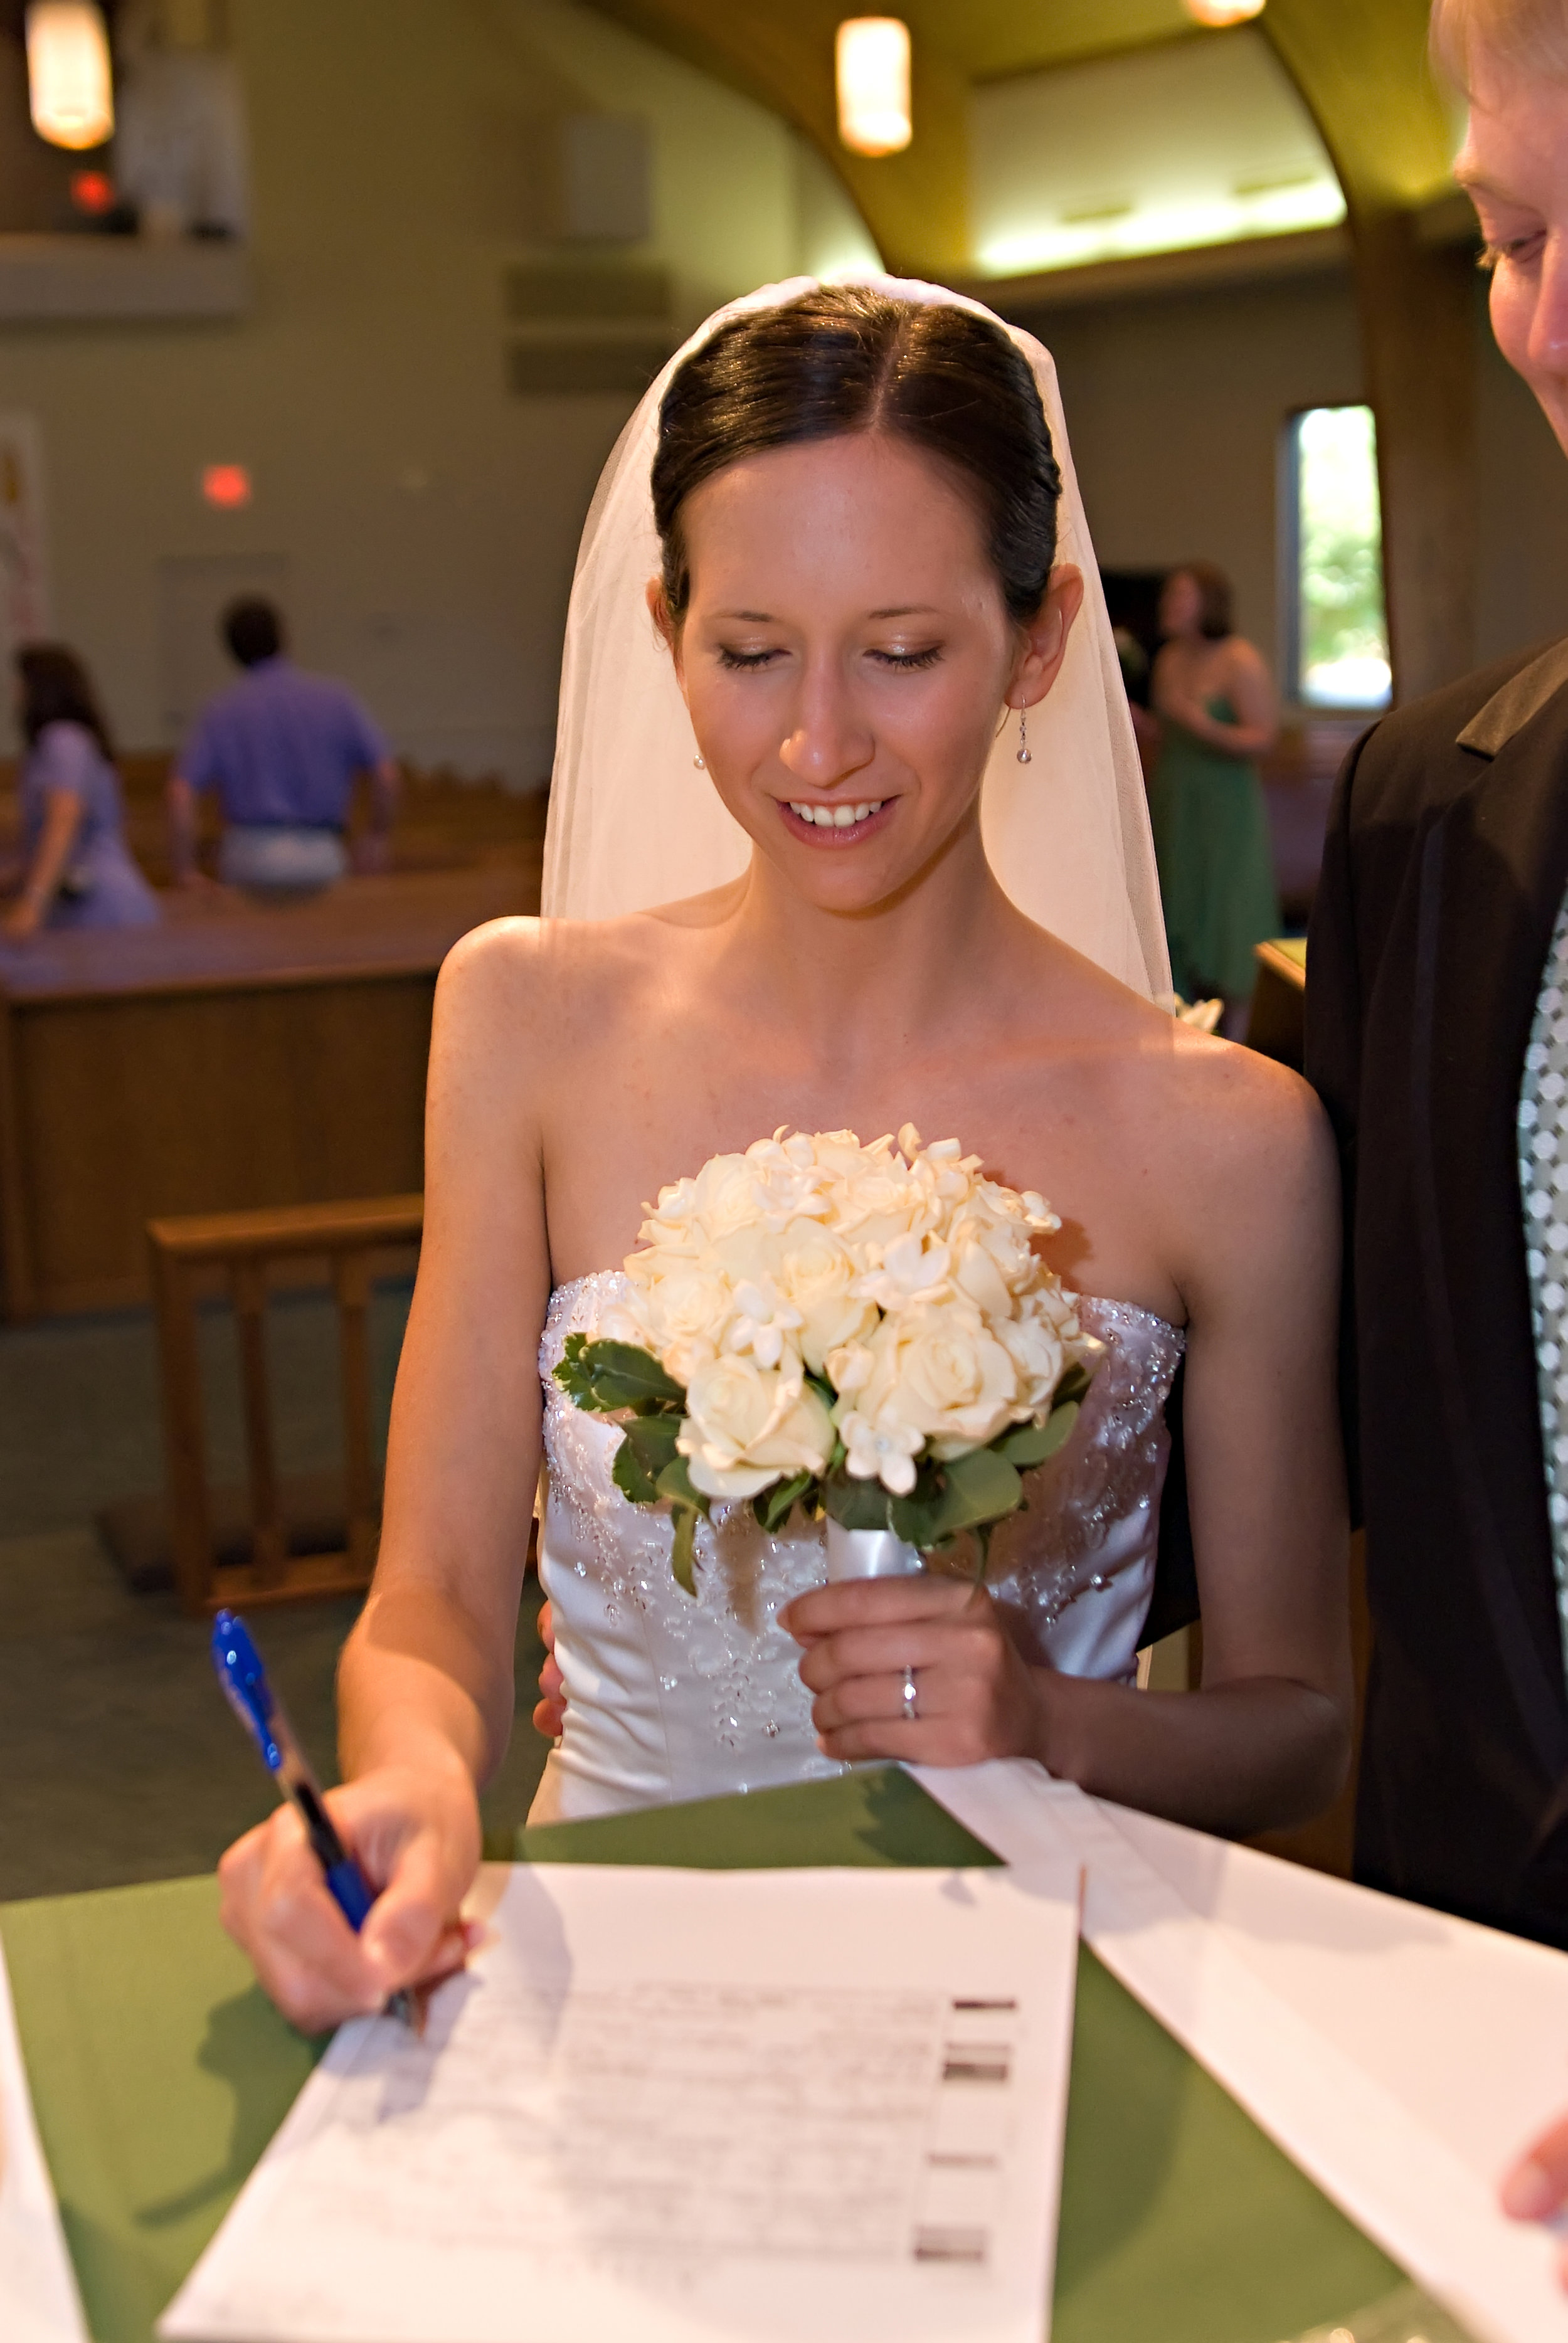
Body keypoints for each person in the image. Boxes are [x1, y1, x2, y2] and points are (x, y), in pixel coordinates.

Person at [216, 278, 1350, 2034]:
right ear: (663, 628)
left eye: (901, 650)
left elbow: (1294, 1718)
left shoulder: (1225, 1139)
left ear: (1039, 638)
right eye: (748, 651)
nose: (819, 742)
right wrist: (415, 1789)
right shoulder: (523, 1023)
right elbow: (432, 1596)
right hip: (617, 1980)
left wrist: (1056, 1720)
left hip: (1038, 2001)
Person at [1306, 0, 1568, 2272]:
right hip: (1474, 2014)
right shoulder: (1423, 805)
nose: (1549, 323)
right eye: (1509, 236)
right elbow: (1368, 1412)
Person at [167, 597, 399, 891]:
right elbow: (386, 773)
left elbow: (181, 793)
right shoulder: (335, 700)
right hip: (321, 852)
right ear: (283, 636)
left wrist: (185, 869)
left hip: (249, 854)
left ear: (231, 649)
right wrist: (377, 835)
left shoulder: (220, 711)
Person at [1148, 561, 1280, 1037]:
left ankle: (1238, 1045)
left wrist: (1201, 724)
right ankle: (1185, 1032)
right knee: (1176, 904)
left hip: (1226, 807)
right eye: (1168, 597)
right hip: (1178, 801)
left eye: (1180, 597)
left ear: (1207, 603)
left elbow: (1264, 738)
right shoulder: (1167, 659)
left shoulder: (1240, 659)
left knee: (1226, 913)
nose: (1169, 606)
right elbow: (1168, 734)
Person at [1, 644, 159, 939]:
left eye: (21, 682)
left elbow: (64, 817)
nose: (15, 691)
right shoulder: (53, 747)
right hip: (74, 901)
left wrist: (33, 903)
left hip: (101, 902)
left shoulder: (63, 739)